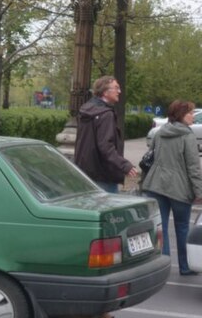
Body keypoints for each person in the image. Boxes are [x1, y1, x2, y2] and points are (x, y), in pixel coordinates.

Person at [142, 100, 202, 275]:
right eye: (190, 113)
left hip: (156, 185)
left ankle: (164, 265)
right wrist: (199, 191)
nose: (193, 116)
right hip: (179, 188)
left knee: (163, 228)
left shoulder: (160, 133)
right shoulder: (187, 136)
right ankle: (185, 266)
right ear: (181, 115)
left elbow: (150, 156)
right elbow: (193, 168)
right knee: (182, 227)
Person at [74, 76, 138, 193]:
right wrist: (125, 166)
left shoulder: (86, 111)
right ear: (105, 92)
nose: (119, 91)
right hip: (103, 176)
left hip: (85, 174)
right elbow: (106, 147)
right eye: (116, 88)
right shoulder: (105, 114)